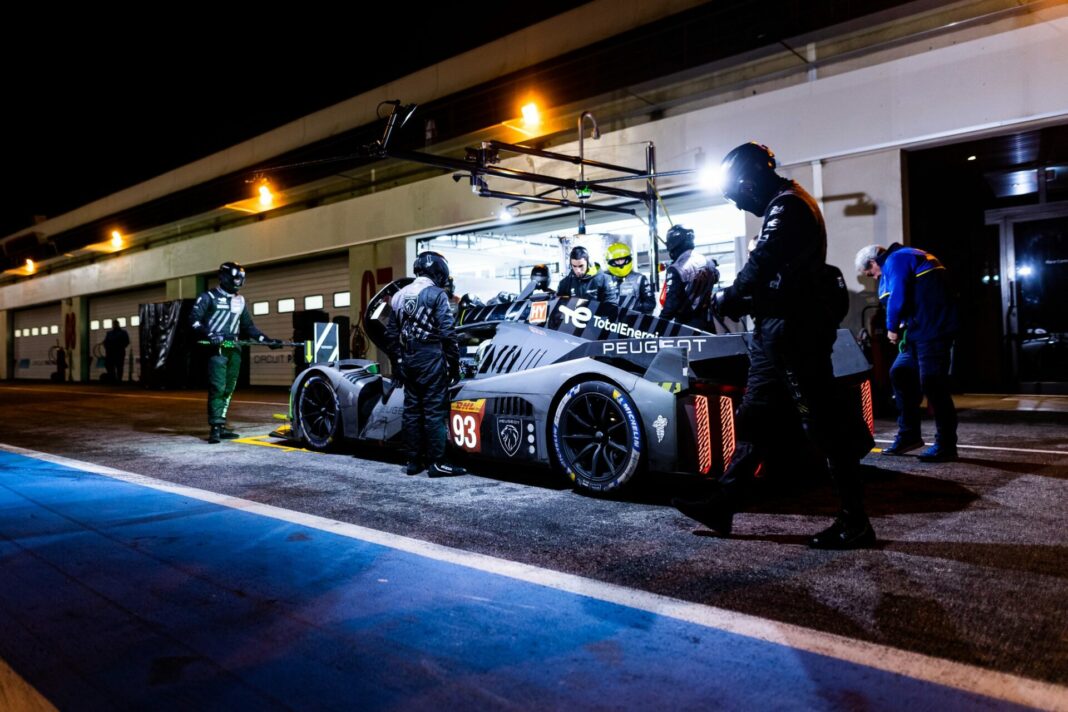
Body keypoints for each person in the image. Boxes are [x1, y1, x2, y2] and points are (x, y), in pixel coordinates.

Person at [674, 142, 875, 549]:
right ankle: (723, 504)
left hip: (794, 333)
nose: (738, 206)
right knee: (756, 417)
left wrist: (730, 296)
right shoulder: (787, 204)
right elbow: (775, 270)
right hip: (776, 332)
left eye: (737, 196)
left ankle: (855, 522)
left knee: (823, 423)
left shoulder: (788, 206)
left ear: (751, 181)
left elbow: (764, 261)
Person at [856, 243, 959, 462]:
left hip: (931, 331)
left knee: (933, 384)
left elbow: (898, 295)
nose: (874, 278)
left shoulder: (896, 259)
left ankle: (946, 445)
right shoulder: (909, 256)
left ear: (874, 262)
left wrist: (891, 328)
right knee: (900, 373)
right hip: (918, 332)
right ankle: (909, 436)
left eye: (870, 273)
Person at [384, 251, 467, 478]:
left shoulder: (400, 295)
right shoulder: (437, 294)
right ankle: (437, 462)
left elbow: (391, 335)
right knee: (434, 411)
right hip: (431, 357)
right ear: (439, 272)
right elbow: (448, 333)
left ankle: (413, 462)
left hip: (408, 358)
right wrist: (454, 363)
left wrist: (397, 362)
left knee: (412, 410)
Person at [190, 262, 282, 443]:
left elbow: (249, 327)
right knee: (218, 387)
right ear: (223, 277)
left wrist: (267, 340)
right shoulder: (208, 297)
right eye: (235, 278)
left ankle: (222, 425)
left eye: (241, 278)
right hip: (217, 350)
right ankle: (215, 427)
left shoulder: (240, 301)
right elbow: (193, 321)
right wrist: (210, 334)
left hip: (235, 349)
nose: (238, 281)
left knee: (229, 388)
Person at [660, 225, 718, 330]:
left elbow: (671, 303)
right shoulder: (708, 261)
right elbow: (717, 277)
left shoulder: (676, 268)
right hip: (708, 323)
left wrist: (659, 325)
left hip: (686, 328)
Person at [605, 242, 655, 314]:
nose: (620, 263)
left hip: (633, 321)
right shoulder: (604, 279)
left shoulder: (640, 278)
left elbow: (650, 303)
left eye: (622, 259)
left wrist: (635, 312)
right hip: (608, 322)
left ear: (628, 259)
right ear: (611, 261)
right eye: (617, 260)